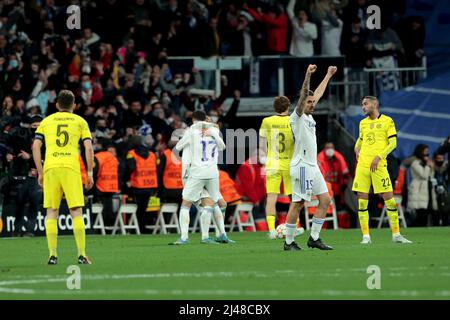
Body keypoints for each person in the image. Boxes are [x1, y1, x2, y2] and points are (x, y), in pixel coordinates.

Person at [32, 90, 94, 265]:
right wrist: (89, 173)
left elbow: (35, 147)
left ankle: (52, 255)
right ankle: (81, 255)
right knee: (76, 211)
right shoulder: (80, 121)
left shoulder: (46, 121)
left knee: (52, 212)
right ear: (74, 105)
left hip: (51, 168)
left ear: (57, 105)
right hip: (70, 168)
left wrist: (40, 171)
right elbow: (88, 148)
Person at [284, 64, 337, 251]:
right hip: (302, 166)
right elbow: (304, 95)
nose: (312, 104)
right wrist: (307, 74)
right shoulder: (296, 116)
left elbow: (317, 93)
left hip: (312, 167)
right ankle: (288, 242)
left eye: (313, 102)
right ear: (302, 102)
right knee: (298, 203)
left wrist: (328, 75)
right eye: (309, 102)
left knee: (325, 200)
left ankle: (314, 238)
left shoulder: (309, 117)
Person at [352, 96, 411, 244]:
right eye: (362, 105)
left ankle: (396, 235)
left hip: (379, 166)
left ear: (374, 104)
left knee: (390, 200)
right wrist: (356, 147)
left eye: (365, 104)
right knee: (362, 201)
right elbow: (361, 138)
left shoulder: (387, 121)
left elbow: (393, 144)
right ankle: (366, 236)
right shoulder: (362, 123)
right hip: (363, 166)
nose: (363, 107)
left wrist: (379, 156)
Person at [172, 111, 227, 244]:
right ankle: (211, 236)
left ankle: (208, 236)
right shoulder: (214, 132)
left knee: (194, 203)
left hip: (195, 172)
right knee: (213, 204)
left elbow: (177, 147)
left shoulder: (191, 132)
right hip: (205, 173)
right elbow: (223, 147)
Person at [259, 96, 294, 239]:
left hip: (272, 163)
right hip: (289, 163)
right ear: (288, 107)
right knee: (294, 198)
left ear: (274, 107)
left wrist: (263, 158)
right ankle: (294, 227)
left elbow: (262, 144)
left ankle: (272, 230)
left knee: (271, 197)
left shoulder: (267, 121)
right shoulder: (293, 120)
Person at [125, 135, 158, 234]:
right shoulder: (152, 154)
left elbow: (130, 168)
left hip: (137, 185)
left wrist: (126, 179)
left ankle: (137, 228)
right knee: (145, 208)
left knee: (137, 208)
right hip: (150, 185)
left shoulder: (131, 154)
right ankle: (143, 227)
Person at [93, 137, 119, 228]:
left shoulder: (98, 157)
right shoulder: (112, 156)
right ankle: (109, 225)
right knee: (109, 207)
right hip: (112, 186)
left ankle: (101, 227)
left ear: (100, 145)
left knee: (102, 208)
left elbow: (94, 172)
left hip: (101, 186)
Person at [317, 142, 350, 210]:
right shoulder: (320, 159)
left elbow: (345, 173)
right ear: (324, 149)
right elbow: (319, 176)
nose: (330, 150)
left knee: (339, 209)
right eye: (328, 148)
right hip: (325, 191)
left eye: (332, 148)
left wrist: (343, 186)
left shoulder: (339, 158)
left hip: (337, 191)